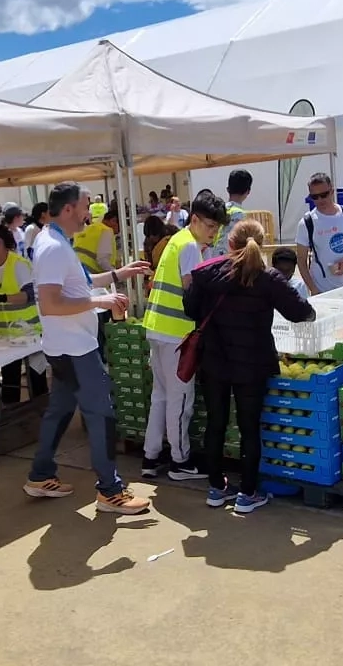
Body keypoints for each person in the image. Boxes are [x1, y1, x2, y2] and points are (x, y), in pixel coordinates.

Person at [23, 182, 155, 514]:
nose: (91, 211)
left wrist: (117, 274)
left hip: (63, 347)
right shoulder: (54, 247)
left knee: (60, 411)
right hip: (75, 349)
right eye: (86, 205)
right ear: (68, 209)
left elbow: (77, 283)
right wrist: (102, 301)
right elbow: (52, 303)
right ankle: (110, 490)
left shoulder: (53, 241)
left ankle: (40, 475)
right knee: (102, 416)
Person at [185, 219, 316, 514]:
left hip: (214, 361)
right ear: (262, 243)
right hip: (252, 363)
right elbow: (300, 312)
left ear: (230, 243)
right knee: (249, 428)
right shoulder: (267, 277)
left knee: (216, 423)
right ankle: (247, 492)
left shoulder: (206, 273)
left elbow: (190, 309)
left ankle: (216, 488)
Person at [142, 190, 229, 481]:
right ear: (194, 220)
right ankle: (180, 462)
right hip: (176, 336)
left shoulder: (176, 241)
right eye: (209, 226)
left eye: (216, 228)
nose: (212, 233)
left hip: (157, 329)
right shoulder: (189, 246)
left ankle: (150, 456)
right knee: (180, 401)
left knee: (161, 397)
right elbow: (193, 293)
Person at [0, 224, 47, 404]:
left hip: (29, 331)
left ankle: (42, 411)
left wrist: (2, 297)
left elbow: (29, 296)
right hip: (6, 334)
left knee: (36, 377)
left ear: (0, 243)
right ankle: (11, 413)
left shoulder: (19, 265)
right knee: (9, 379)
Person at [294, 171, 343, 296]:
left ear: (332, 191)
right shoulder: (307, 222)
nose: (320, 200)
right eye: (315, 197)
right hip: (322, 290)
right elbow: (301, 261)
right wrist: (313, 289)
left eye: (324, 195)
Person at [208, 169, 253, 260]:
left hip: (209, 260)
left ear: (228, 189)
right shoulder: (240, 215)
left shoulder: (217, 209)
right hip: (227, 262)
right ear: (248, 191)